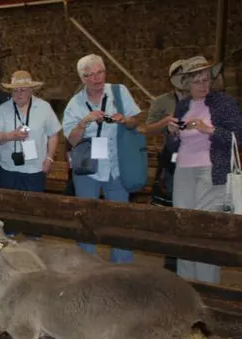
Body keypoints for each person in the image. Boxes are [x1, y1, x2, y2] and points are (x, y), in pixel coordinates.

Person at [166, 56, 242, 284]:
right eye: (197, 81)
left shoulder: (223, 102)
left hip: (212, 171)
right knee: (184, 228)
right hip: (183, 171)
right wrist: (172, 134)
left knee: (204, 230)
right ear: (187, 83)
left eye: (206, 79)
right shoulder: (183, 105)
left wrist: (210, 130)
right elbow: (173, 147)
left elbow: (237, 136)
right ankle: (186, 285)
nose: (203, 85)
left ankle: (208, 288)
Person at [62, 53, 141, 264]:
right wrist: (84, 122)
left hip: (116, 165)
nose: (96, 79)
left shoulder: (119, 92)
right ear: (82, 79)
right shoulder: (75, 104)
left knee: (119, 219)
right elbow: (72, 139)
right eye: (89, 75)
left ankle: (121, 268)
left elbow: (135, 122)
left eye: (100, 73)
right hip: (88, 167)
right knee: (86, 219)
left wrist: (126, 120)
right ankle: (87, 265)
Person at [143, 58, 187, 272]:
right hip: (171, 158)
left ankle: (191, 257)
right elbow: (148, 129)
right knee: (171, 207)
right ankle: (172, 259)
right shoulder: (163, 101)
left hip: (195, 157)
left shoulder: (203, 100)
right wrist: (166, 122)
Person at [0, 71, 61, 193]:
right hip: (8, 169)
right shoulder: (3, 109)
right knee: (8, 207)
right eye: (15, 90)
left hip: (35, 170)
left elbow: (53, 135)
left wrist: (49, 158)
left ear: (31, 90)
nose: (18, 94)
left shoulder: (44, 107)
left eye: (23, 90)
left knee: (33, 207)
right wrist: (9, 136)